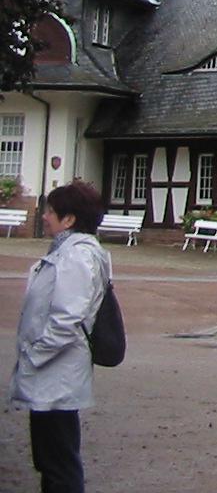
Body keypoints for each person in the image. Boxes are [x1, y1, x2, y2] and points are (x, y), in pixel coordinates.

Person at [8, 181, 110, 493]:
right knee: (50, 458)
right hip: (51, 375)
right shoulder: (66, 252)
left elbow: (67, 317)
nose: (45, 216)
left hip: (56, 373)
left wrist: (34, 354)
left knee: (59, 462)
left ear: (69, 219)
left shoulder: (76, 257)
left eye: (51, 211)